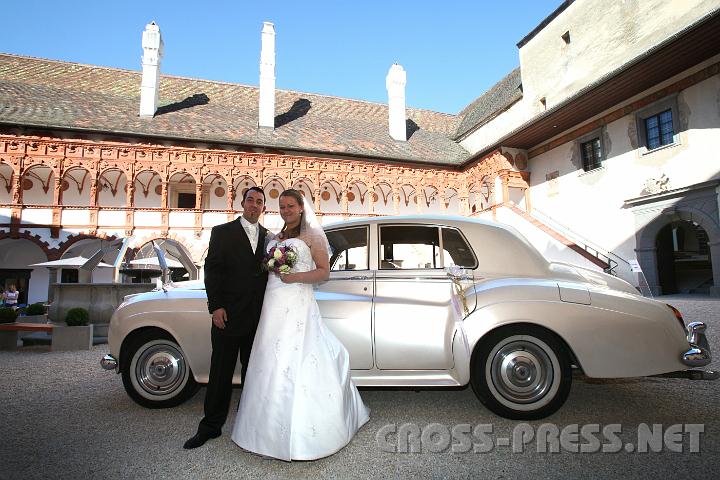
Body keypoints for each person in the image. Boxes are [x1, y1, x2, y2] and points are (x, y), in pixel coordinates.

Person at [231, 189, 370, 461]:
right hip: (272, 304)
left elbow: (323, 272)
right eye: (282, 206)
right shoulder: (276, 237)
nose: (286, 210)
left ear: (301, 208)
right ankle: (261, 430)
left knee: (297, 356)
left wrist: (294, 278)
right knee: (268, 360)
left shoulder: (313, 236)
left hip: (297, 302)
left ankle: (302, 435)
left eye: (291, 206)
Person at [184, 187, 273, 450]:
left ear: (263, 208)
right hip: (228, 316)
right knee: (220, 373)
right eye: (250, 201)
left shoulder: (269, 237)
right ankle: (210, 427)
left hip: (257, 319)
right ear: (242, 203)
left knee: (253, 373)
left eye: (259, 202)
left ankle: (249, 425)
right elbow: (212, 271)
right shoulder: (222, 232)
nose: (254, 205)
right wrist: (216, 307)